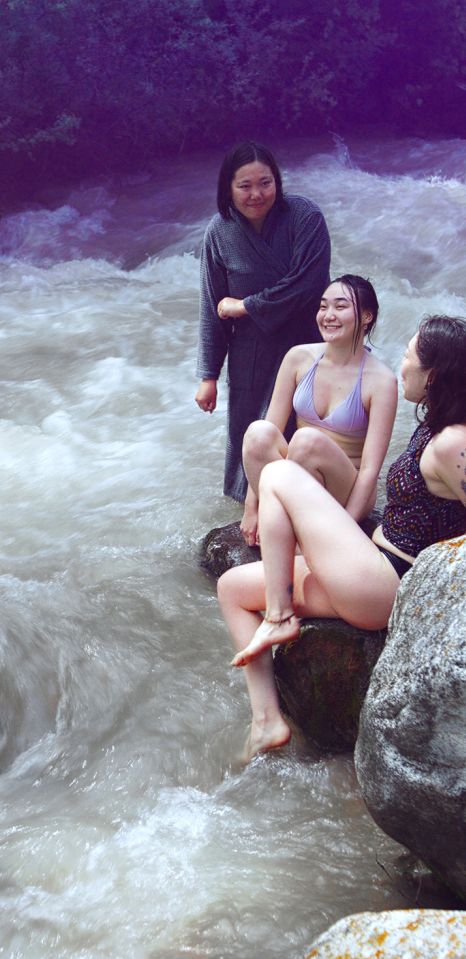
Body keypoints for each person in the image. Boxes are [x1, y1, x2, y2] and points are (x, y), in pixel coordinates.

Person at [217, 315, 466, 762]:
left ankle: (278, 616)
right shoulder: (438, 425)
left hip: (388, 582)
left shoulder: (453, 442)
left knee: (277, 473)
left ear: (433, 375)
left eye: (409, 355)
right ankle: (266, 721)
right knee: (231, 588)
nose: (402, 363)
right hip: (371, 563)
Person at [195, 141, 331, 503]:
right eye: (244, 186)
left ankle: (311, 513)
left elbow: (310, 284)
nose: (256, 194)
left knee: (306, 440)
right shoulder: (219, 233)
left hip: (307, 347)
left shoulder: (304, 216)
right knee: (250, 442)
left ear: (278, 182)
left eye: (265, 183)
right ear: (228, 188)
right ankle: (248, 517)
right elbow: (213, 308)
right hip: (250, 354)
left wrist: (246, 306)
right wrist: (209, 376)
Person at [239, 275, 398, 546]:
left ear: (367, 316)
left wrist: (345, 530)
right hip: (300, 472)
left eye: (340, 306)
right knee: (258, 433)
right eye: (323, 307)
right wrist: (250, 509)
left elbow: (371, 470)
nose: (328, 315)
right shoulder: (298, 358)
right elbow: (272, 430)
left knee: (305, 440)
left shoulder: (382, 381)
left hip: (346, 486)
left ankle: (303, 534)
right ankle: (279, 519)